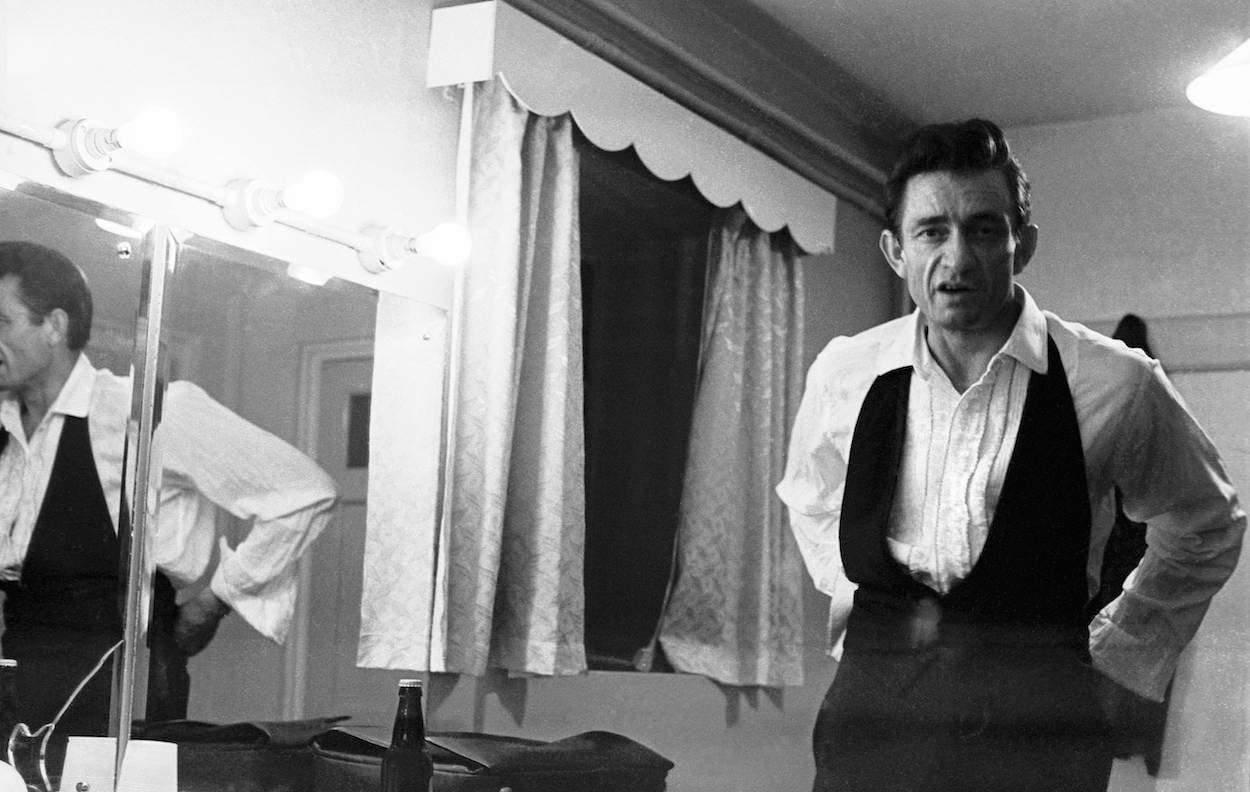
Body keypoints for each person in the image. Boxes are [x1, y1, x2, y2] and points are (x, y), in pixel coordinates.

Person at [776, 119, 1244, 792]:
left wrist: (1121, 655)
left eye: (984, 229)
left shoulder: (1114, 381)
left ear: (1022, 245)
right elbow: (811, 497)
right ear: (895, 251)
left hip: (1039, 740)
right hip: (869, 730)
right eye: (931, 231)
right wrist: (864, 611)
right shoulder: (844, 373)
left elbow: (1206, 525)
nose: (958, 258)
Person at [0, 241, 337, 766]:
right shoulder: (4, 427)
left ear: (55, 326)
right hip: (15, 673)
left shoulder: (144, 410)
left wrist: (216, 598)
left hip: (117, 682)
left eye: (2, 322)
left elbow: (305, 492)